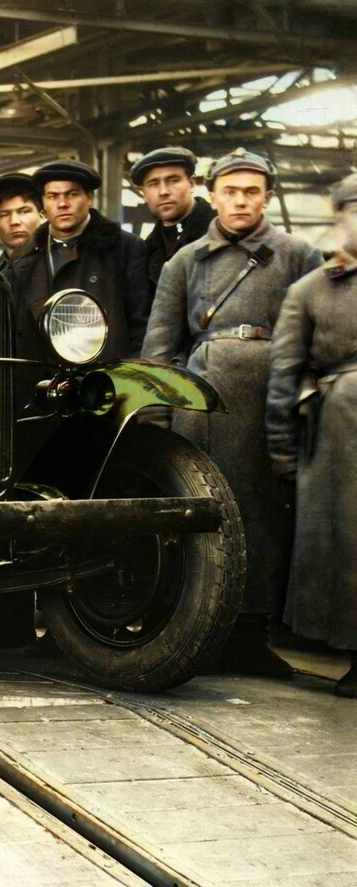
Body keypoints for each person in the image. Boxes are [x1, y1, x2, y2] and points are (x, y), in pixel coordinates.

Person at [142, 147, 323, 676]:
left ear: (267, 196)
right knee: (205, 515)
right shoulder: (185, 261)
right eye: (230, 191)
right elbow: (159, 347)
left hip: (274, 400)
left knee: (267, 516)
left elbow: (316, 337)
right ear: (212, 195)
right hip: (205, 402)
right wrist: (161, 422)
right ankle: (202, 631)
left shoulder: (297, 254)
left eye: (251, 191)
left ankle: (253, 637)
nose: (240, 201)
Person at [266, 172, 357, 696]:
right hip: (341, 433)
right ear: (339, 217)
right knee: (346, 546)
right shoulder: (312, 289)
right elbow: (284, 372)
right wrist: (282, 453)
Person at [7, 160, 150, 360]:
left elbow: (141, 325)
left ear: (89, 198)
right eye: (52, 196)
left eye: (72, 194)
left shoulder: (125, 248)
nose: (62, 204)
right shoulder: (23, 259)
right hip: (43, 381)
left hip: (105, 377)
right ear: (43, 203)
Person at [130, 146, 215, 294]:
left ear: (192, 183)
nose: (163, 192)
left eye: (173, 180)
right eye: (153, 184)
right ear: (143, 193)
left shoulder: (221, 233)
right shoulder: (145, 250)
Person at [0, 173, 43, 273]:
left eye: (24, 212)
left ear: (42, 216)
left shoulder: (61, 263)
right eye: (4, 215)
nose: (14, 222)